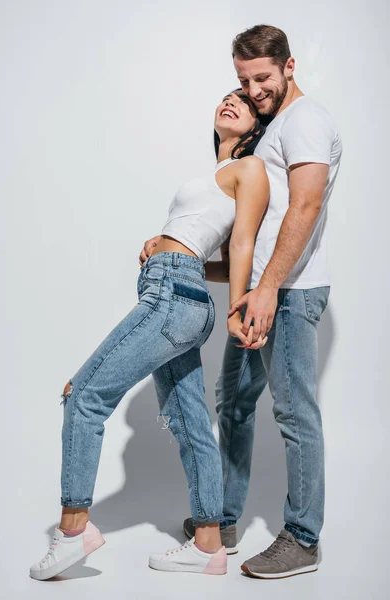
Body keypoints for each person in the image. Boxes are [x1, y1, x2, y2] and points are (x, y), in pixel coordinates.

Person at [29, 90, 269, 580]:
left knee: (84, 396)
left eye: (242, 102)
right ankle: (208, 542)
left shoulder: (251, 169)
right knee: (190, 424)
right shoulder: (213, 175)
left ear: (254, 127)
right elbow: (205, 241)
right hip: (179, 289)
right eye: (225, 97)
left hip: (173, 295)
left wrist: (238, 306)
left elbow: (243, 241)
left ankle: (73, 531)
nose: (230, 102)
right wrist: (163, 242)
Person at [141, 24, 342, 579]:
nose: (254, 90)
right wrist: (174, 253)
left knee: (294, 411)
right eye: (243, 79)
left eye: (263, 77)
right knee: (232, 402)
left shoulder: (306, 121)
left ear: (290, 66)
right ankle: (224, 519)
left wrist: (271, 289)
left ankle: (303, 537)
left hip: (289, 292)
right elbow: (249, 237)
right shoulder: (274, 128)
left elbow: (305, 209)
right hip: (259, 293)